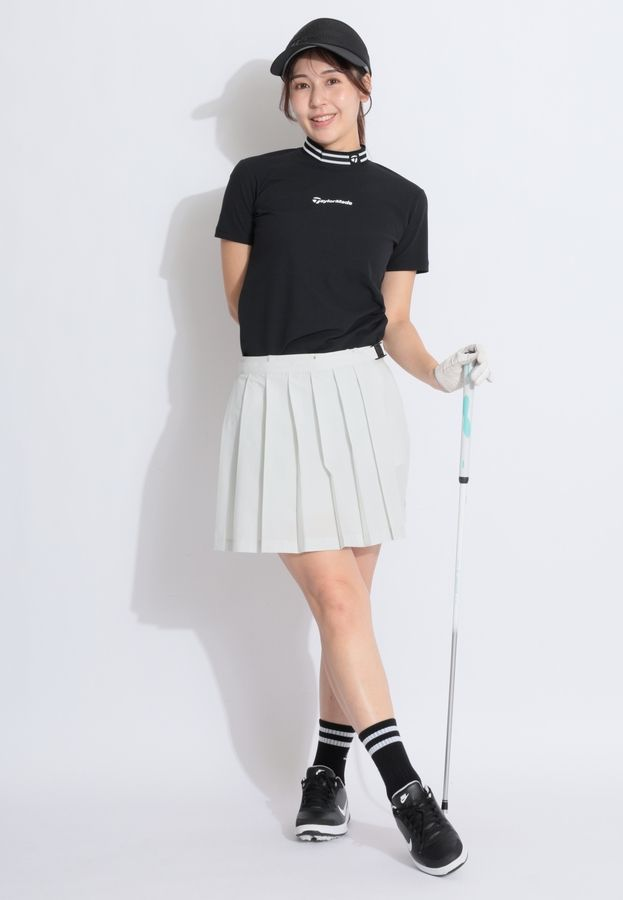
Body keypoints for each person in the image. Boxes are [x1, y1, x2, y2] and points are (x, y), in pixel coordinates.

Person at [212, 18, 493, 877]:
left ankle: (326, 773)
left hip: (364, 405)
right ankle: (406, 791)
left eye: (331, 81)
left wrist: (439, 372)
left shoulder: (403, 199)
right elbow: (241, 304)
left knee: (349, 613)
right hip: (278, 399)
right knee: (337, 601)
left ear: (365, 89)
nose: (315, 99)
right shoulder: (255, 181)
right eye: (300, 85)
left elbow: (395, 322)